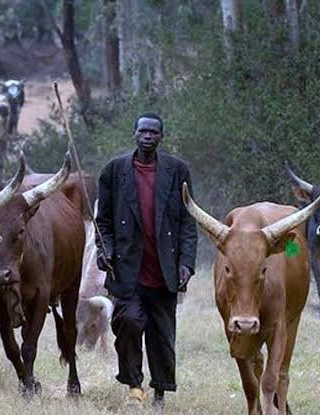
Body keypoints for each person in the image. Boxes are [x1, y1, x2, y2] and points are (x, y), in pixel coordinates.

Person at [95, 113, 197, 410]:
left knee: (162, 335)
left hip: (165, 269)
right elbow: (103, 222)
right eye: (143, 131)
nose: (148, 136)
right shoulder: (114, 171)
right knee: (129, 321)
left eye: (153, 132)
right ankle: (134, 385)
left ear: (161, 137)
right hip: (127, 269)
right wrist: (106, 251)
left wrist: (186, 264)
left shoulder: (178, 171)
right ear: (134, 134)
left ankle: (160, 392)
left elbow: (188, 224)